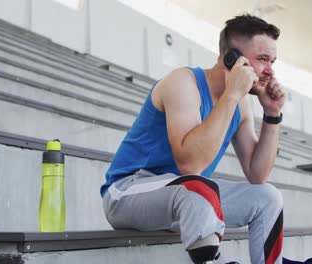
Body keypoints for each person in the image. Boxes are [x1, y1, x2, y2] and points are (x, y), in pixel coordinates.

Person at [100, 13, 286, 264]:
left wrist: (272, 114)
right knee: (198, 187)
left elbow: (257, 174)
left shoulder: (241, 104)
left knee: (268, 197)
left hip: (186, 199)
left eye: (272, 61)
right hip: (128, 193)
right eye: (262, 59)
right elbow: (191, 165)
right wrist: (230, 96)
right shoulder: (183, 82)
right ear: (232, 57)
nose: (269, 71)